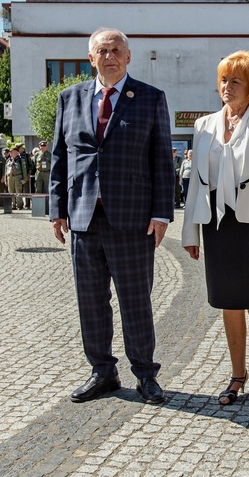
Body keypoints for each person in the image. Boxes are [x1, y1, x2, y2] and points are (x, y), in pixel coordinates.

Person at [50, 27, 175, 405]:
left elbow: (161, 160)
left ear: (128, 56)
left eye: (116, 49)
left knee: (135, 300)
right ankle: (102, 371)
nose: (109, 56)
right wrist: (57, 209)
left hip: (133, 219)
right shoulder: (68, 99)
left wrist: (162, 214)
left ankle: (145, 374)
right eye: (102, 50)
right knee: (90, 300)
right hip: (84, 219)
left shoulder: (151, 98)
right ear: (91, 58)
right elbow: (59, 157)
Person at [182, 51, 249, 409]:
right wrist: (189, 233)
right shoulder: (204, 125)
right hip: (217, 225)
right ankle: (237, 374)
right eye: (223, 80)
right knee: (228, 304)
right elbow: (196, 184)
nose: (227, 87)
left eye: (235, 81)